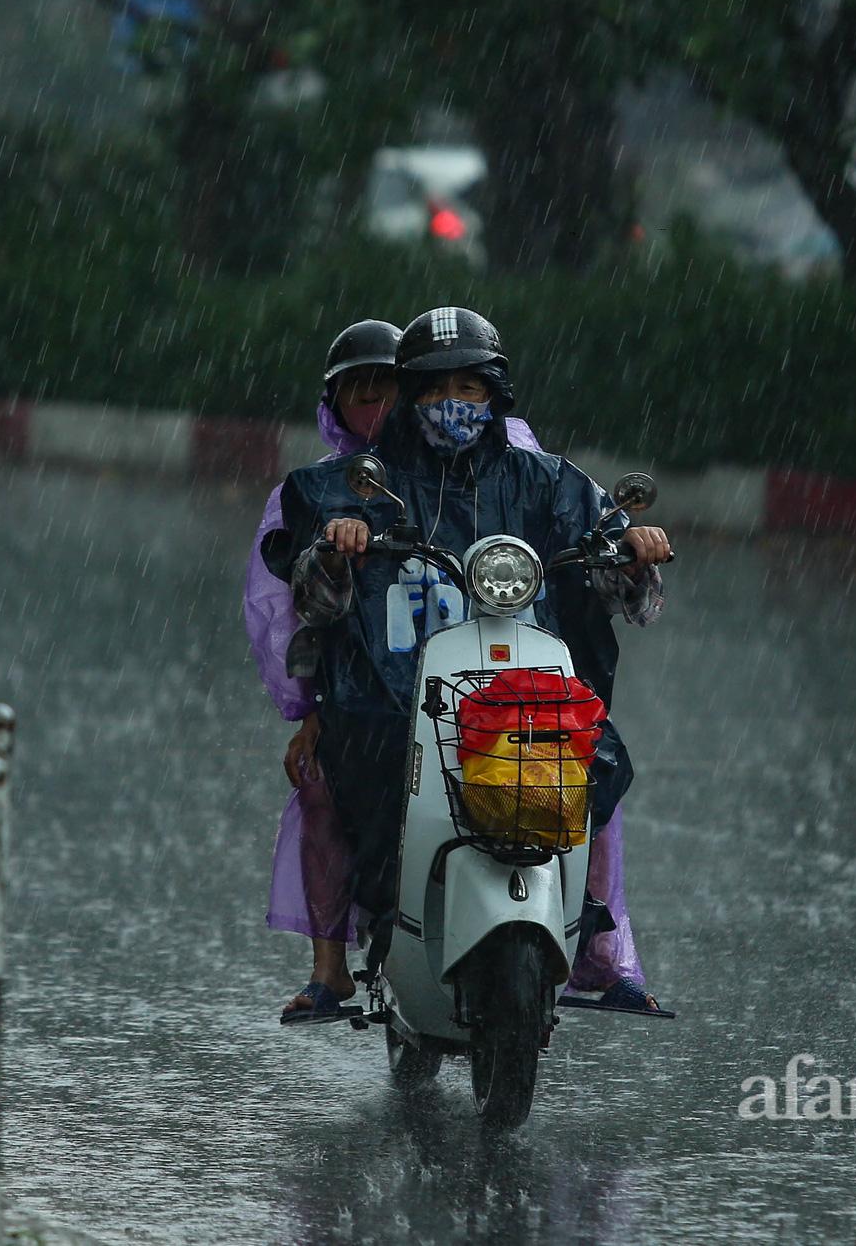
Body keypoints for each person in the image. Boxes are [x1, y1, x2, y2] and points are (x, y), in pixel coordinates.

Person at [261, 307, 669, 1021]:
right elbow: (312, 597)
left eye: (471, 388)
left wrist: (634, 550)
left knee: (595, 756)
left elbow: (612, 569)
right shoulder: (360, 485)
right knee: (349, 779)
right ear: (410, 396)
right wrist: (335, 547)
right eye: (436, 387)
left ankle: (588, 924)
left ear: (496, 396)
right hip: (390, 698)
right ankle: (379, 922)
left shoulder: (543, 480)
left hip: (524, 690)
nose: (455, 403)